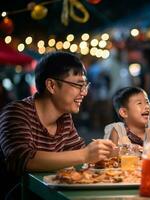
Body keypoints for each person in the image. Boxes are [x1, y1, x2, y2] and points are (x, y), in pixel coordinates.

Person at [0, 51, 115, 199]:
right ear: (52, 85)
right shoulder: (16, 112)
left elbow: (77, 154)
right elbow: (24, 159)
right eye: (78, 85)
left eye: (85, 85)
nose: (84, 93)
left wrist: (111, 152)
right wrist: (86, 154)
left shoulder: (64, 118)